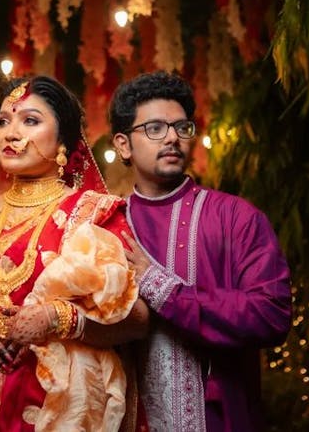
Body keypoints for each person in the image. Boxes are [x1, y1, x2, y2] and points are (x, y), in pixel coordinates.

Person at [0, 75, 148, 431]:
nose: (11, 134)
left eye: (30, 121)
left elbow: (137, 318)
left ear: (63, 141)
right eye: (3, 122)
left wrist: (57, 319)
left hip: (51, 408)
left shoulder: (94, 214)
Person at [109, 71, 292, 432]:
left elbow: (272, 315)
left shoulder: (235, 217)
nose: (172, 138)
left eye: (182, 127)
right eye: (155, 128)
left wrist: (163, 290)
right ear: (123, 145)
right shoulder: (107, 227)